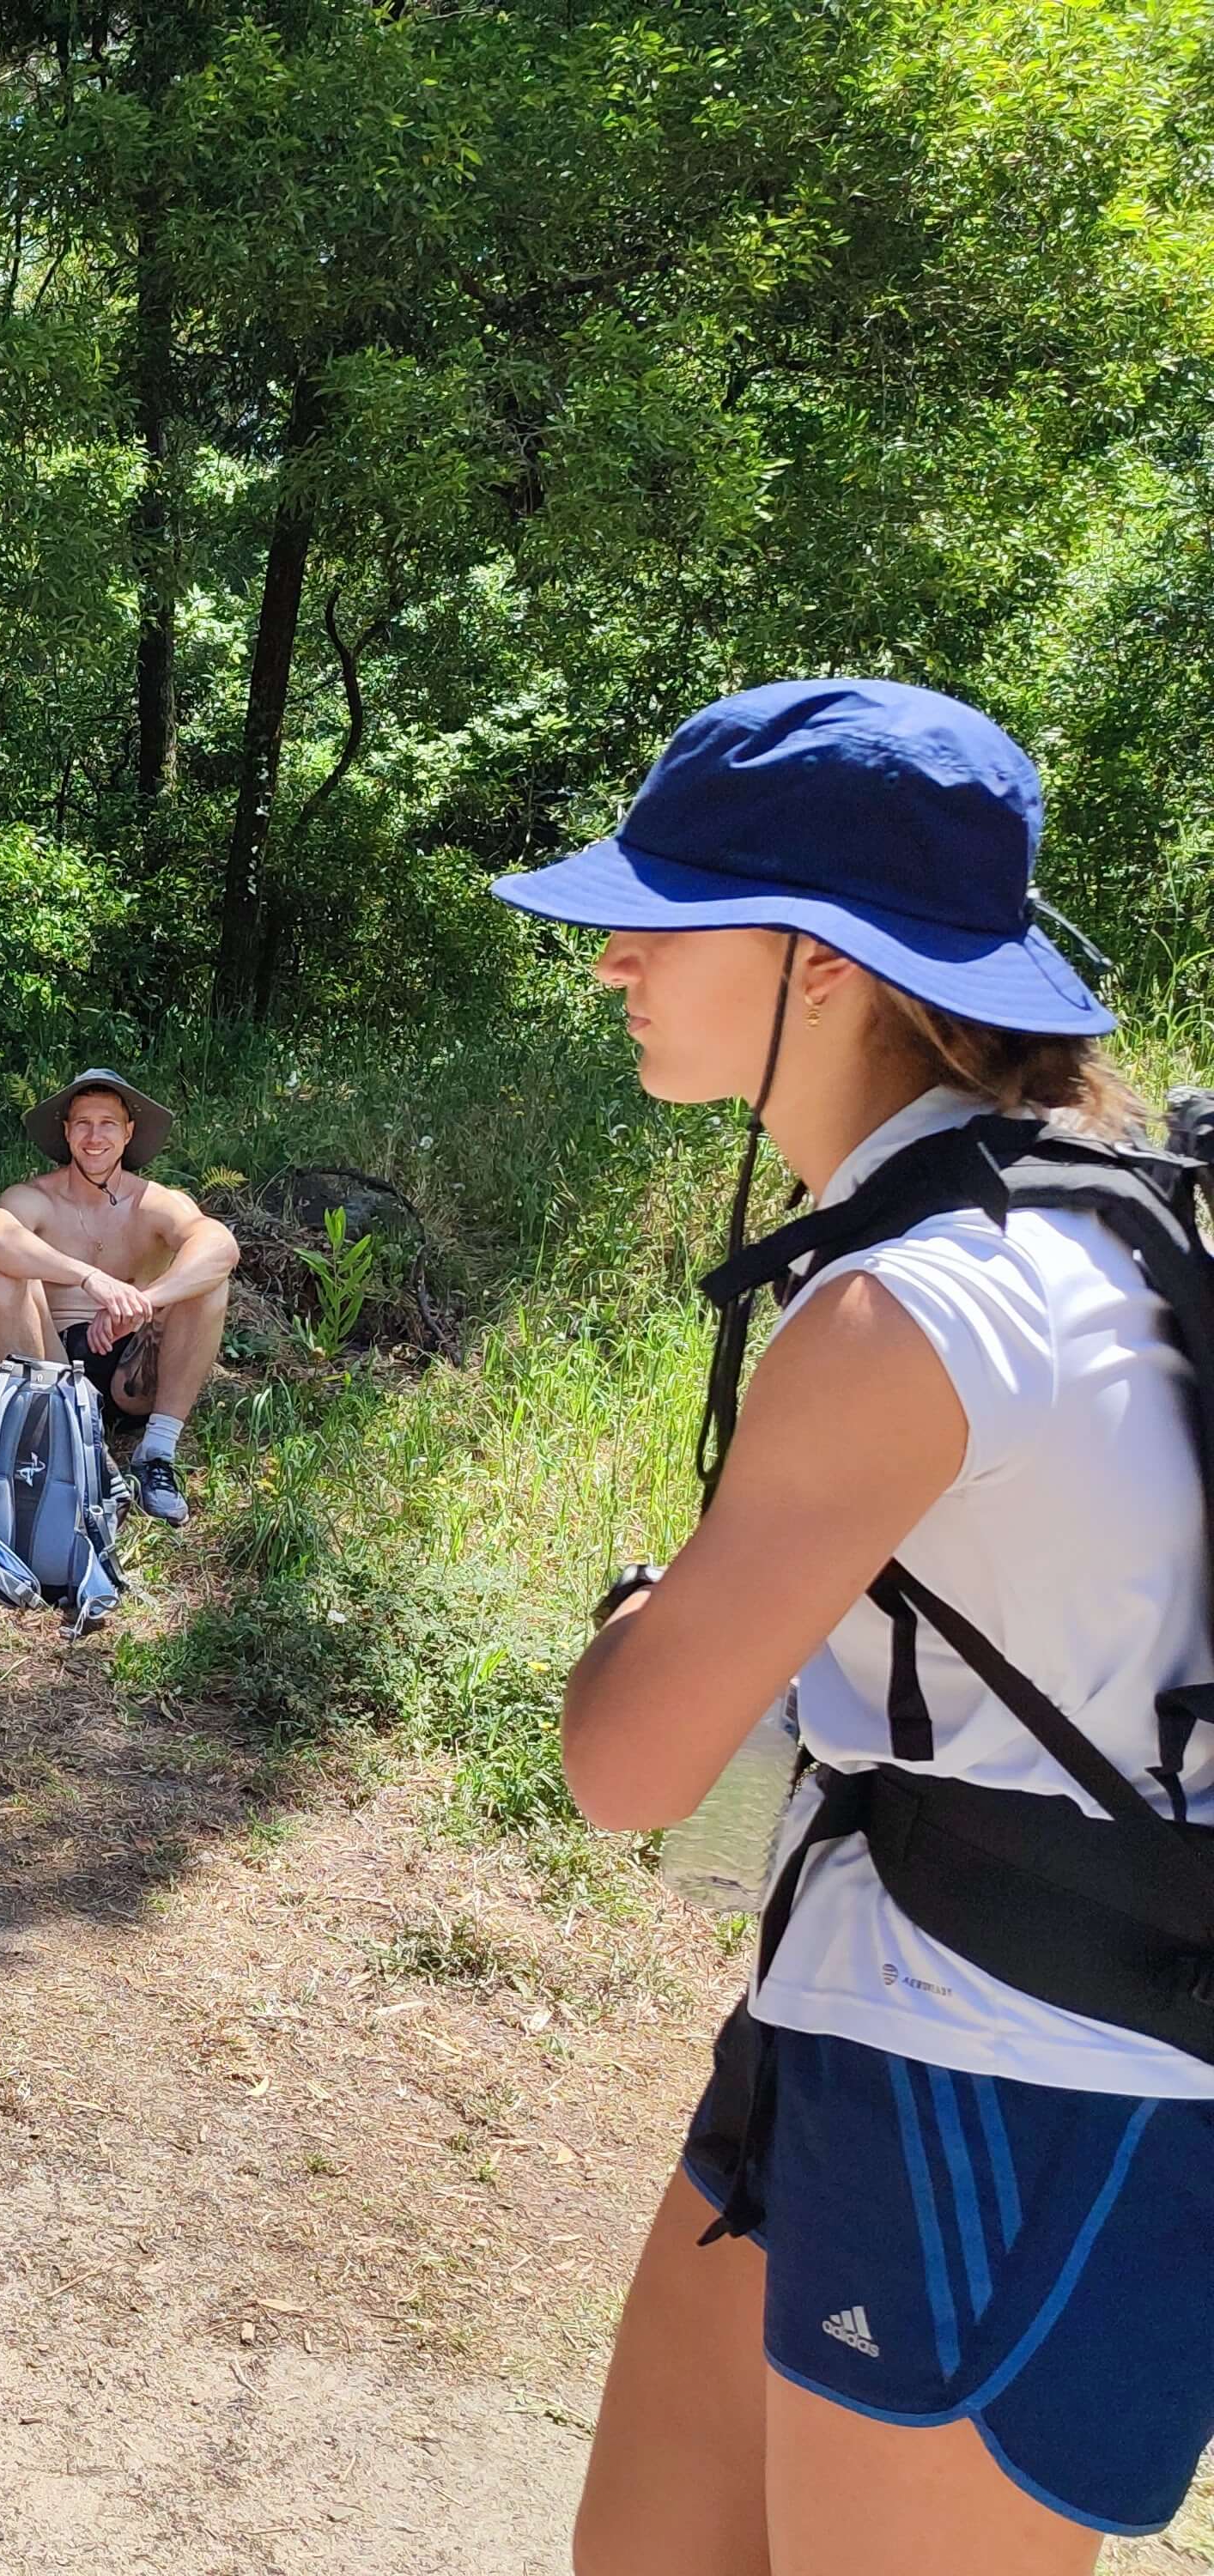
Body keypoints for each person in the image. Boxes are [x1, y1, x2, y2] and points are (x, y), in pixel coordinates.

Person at [515, 679, 1214, 2575]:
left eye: (659, 914)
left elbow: (626, 1767)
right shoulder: (1075, 1229)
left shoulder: (906, 1305)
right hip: (871, 2002)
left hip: (1019, 2076)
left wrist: (637, 1627)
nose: (609, 964)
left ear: (822, 966)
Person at [0, 1070, 235, 1525]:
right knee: (2, 1275)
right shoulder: (34, 1197)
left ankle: (157, 1452)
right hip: (52, 1364)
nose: (95, 1137)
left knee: (209, 1284)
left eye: (108, 1124)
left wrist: (142, 1303)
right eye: (83, 1124)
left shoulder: (154, 1200)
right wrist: (91, 1278)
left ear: (128, 1133)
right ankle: (70, 1451)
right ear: (67, 1132)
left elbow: (219, 1244)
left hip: (131, 1368)